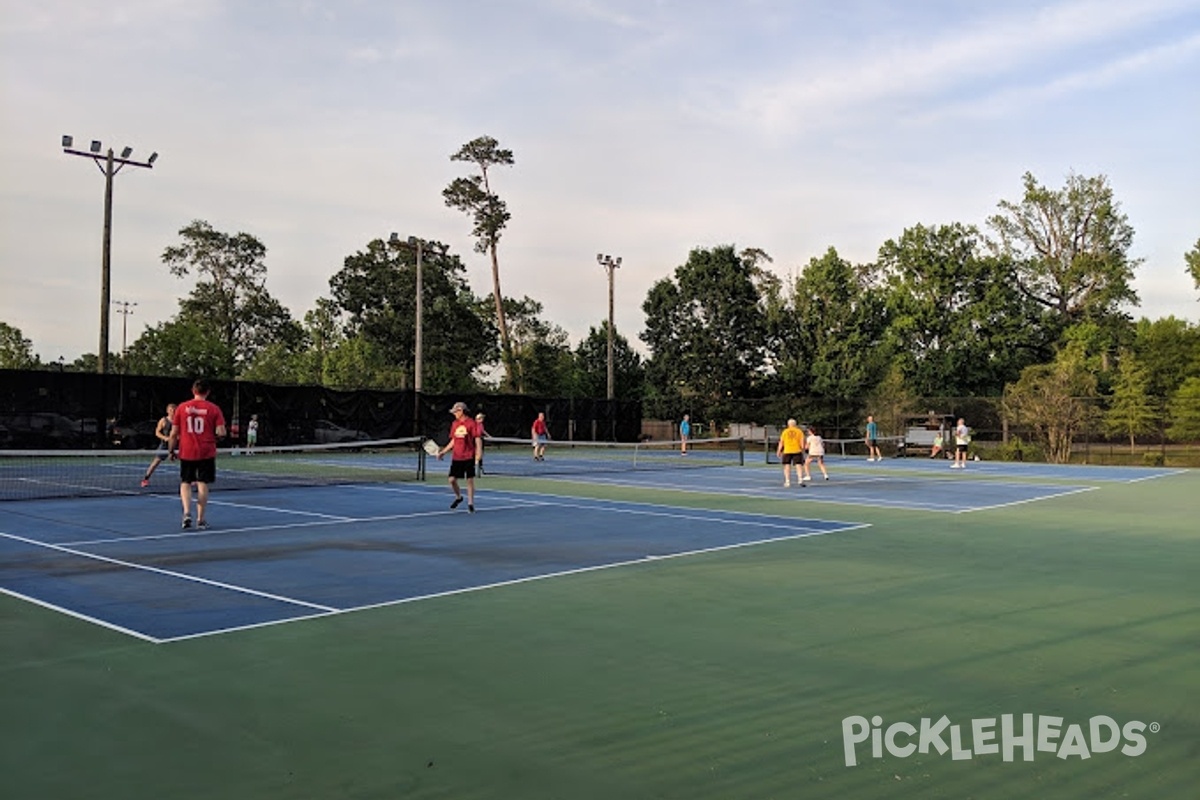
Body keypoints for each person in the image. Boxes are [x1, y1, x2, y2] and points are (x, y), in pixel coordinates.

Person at [168, 379, 227, 530]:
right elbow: (221, 432)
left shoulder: (181, 407)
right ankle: (200, 519)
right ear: (208, 392)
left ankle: (187, 512)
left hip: (187, 450)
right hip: (206, 451)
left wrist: (171, 450)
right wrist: (213, 439)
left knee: (186, 482)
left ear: (193, 390)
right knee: (202, 483)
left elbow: (174, 433)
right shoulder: (214, 409)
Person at [437, 401, 481, 512]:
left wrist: (479, 452)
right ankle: (458, 497)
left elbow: (477, 438)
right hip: (457, 457)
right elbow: (453, 440)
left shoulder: (471, 423)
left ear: (461, 411)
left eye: (455, 412)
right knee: (452, 479)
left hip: (469, 455)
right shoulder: (454, 424)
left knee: (469, 480)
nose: (454, 414)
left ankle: (470, 503)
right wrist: (444, 451)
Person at [140, 403, 177, 487]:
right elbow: (157, 432)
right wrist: (165, 438)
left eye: (174, 410)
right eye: (171, 410)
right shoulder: (163, 420)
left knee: (187, 461)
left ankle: (191, 479)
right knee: (156, 462)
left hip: (176, 445)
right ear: (167, 411)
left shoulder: (179, 420)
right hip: (164, 445)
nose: (173, 412)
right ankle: (146, 478)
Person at [776, 418, 806, 487]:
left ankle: (787, 481)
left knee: (787, 466)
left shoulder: (785, 432)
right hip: (797, 450)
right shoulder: (799, 431)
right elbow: (802, 442)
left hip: (787, 450)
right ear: (795, 424)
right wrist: (803, 449)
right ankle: (800, 479)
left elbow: (781, 442)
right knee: (799, 465)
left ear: (788, 424)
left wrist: (779, 451)